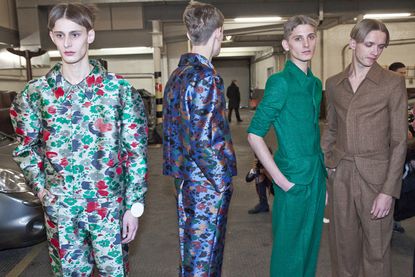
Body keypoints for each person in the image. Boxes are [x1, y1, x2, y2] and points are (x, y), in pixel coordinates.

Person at [9, 3, 148, 276]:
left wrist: (134, 207)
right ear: (52, 36)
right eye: (60, 35)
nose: (67, 43)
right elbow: (25, 147)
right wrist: (40, 188)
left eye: (75, 34)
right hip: (61, 208)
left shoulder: (118, 90)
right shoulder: (37, 94)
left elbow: (135, 153)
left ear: (90, 35)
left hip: (109, 208)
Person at [322, 19, 407, 277]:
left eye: (381, 47)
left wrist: (388, 191)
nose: (375, 51)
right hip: (342, 176)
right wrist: (328, 166)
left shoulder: (392, 82)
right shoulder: (334, 83)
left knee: (376, 252)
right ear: (352, 43)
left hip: (377, 180)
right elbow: (331, 128)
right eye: (369, 44)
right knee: (343, 250)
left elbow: (399, 140)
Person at [247, 15, 326, 277]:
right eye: (298, 38)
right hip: (291, 177)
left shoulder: (315, 84)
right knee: (288, 253)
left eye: (311, 37)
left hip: (315, 176)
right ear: (286, 44)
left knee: (310, 248)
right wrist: (280, 180)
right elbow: (255, 134)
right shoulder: (280, 82)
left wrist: (322, 178)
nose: (306, 44)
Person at [162, 1, 237, 276]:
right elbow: (203, 139)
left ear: (189, 34)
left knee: (192, 256)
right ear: (218, 32)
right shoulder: (206, 77)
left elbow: (176, 135)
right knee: (206, 260)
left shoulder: (177, 75)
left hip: (184, 180)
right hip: (205, 185)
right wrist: (222, 182)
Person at [389, 62, 408, 233]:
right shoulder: (388, 90)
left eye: (405, 73)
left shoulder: (401, 92)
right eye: (400, 72)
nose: (403, 76)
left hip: (399, 148)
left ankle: (394, 217)